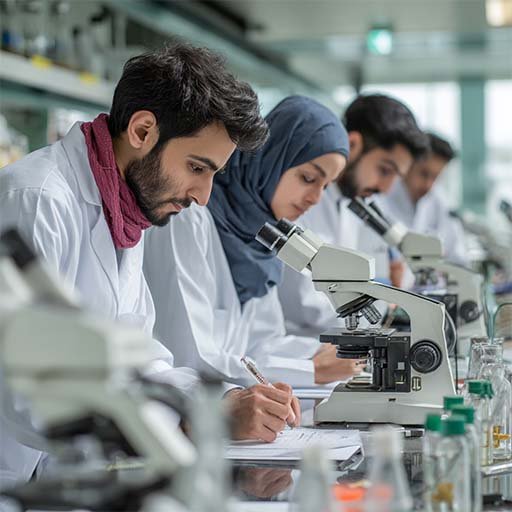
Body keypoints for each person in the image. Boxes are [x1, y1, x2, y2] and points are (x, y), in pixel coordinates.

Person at [0, 43, 296, 488]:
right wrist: (198, 419)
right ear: (142, 130)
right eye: (197, 167)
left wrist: (226, 397)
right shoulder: (37, 200)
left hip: (64, 474)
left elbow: (144, 360)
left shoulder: (123, 209)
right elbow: (33, 395)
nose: (204, 196)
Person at [144, 95, 357, 390]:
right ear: (272, 157)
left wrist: (322, 354)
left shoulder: (262, 236)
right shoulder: (190, 217)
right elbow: (190, 356)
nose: (316, 198)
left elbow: (262, 343)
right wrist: (311, 370)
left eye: (325, 186)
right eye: (308, 178)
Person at [278, 94, 429, 338]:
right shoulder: (299, 199)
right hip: (297, 349)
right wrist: (382, 300)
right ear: (354, 144)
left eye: (395, 177)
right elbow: (305, 305)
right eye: (384, 170)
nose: (386, 188)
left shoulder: (351, 204)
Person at [380, 132, 467, 265]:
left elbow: (457, 255)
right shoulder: (382, 195)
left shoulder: (438, 200)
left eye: (435, 177)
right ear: (408, 164)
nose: (428, 185)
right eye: (424, 174)